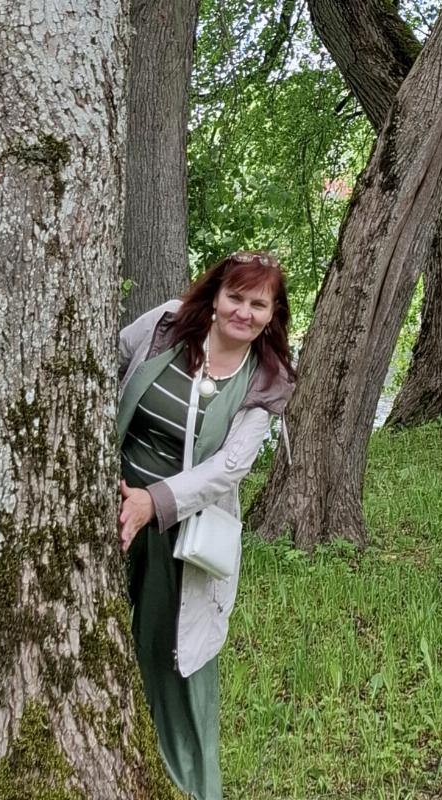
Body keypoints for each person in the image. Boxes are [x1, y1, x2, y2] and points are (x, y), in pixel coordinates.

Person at [117, 251, 295, 800]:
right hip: (108, 503)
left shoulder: (265, 378)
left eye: (258, 303)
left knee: (173, 653)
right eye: (235, 297)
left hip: (179, 530)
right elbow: (109, 361)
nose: (244, 311)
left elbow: (230, 467)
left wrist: (152, 503)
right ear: (215, 296)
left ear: (272, 314)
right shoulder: (166, 325)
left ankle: (190, 783)